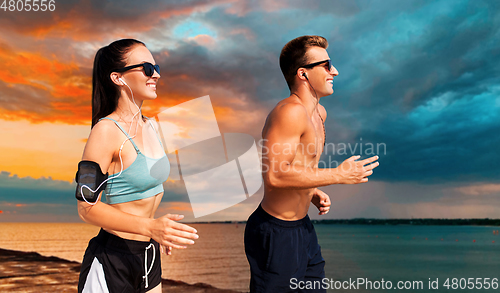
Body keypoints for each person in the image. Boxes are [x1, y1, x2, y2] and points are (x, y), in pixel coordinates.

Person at [244, 35, 379, 292]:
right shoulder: (289, 111)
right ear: (303, 74)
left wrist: (312, 190)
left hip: (302, 227)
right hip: (275, 231)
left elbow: (296, 164)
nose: (335, 71)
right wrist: (338, 175)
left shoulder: (319, 113)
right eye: (327, 65)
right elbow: (275, 176)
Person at [76, 39, 199, 293]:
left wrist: (158, 231)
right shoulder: (105, 131)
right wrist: (152, 227)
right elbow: (86, 208)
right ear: (118, 78)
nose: (156, 74)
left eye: (156, 67)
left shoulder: (152, 126)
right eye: (146, 68)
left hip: (148, 255)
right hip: (113, 259)